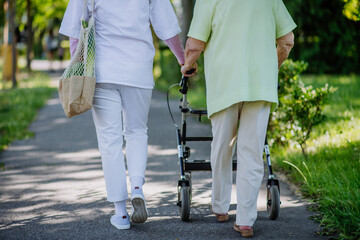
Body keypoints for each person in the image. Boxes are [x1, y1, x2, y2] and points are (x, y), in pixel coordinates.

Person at [59, 0, 185, 230]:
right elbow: (166, 26)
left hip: (103, 71)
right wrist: (183, 60)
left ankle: (121, 214)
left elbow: (74, 30)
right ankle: (137, 187)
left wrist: (77, 66)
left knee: (110, 141)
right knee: (137, 131)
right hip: (139, 70)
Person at [181, 0, 296, 237]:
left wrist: (187, 66)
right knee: (252, 151)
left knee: (223, 145)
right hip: (260, 86)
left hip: (225, 84)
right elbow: (287, 40)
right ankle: (245, 221)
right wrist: (270, 67)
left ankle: (221, 207)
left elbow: (194, 44)